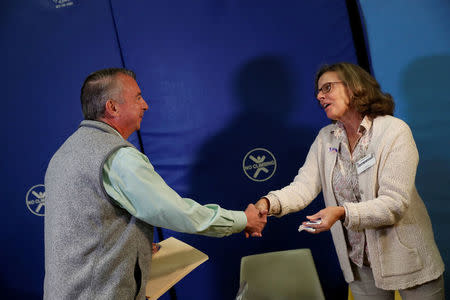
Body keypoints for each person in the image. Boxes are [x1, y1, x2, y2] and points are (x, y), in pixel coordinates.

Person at [44, 68, 267, 300]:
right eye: (138, 97)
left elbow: (88, 229)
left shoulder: (64, 153)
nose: (146, 105)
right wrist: (243, 220)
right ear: (112, 107)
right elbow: (176, 211)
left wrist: (135, 246)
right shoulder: (118, 157)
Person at [255, 62, 445, 299]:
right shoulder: (326, 138)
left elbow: (394, 204)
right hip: (359, 265)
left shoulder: (394, 131)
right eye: (317, 92)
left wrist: (343, 213)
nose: (319, 96)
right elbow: (303, 187)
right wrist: (266, 203)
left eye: (327, 88)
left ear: (354, 87)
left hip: (408, 261)